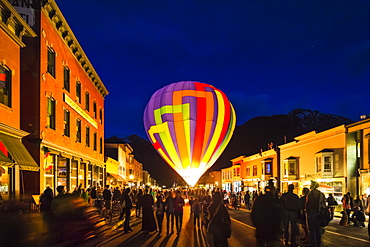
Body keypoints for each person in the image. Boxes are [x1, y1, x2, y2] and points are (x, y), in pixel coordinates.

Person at [251, 183, 284, 247]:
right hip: (272, 229)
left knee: (261, 243)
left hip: (261, 228)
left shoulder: (260, 199)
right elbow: (280, 215)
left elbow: (254, 214)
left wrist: (257, 225)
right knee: (270, 243)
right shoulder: (276, 201)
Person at [305, 180, 325, 247]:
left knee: (312, 228)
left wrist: (307, 209)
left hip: (312, 212)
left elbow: (309, 203)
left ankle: (313, 243)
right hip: (318, 212)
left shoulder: (311, 193)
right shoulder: (320, 193)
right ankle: (318, 242)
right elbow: (323, 203)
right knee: (317, 228)